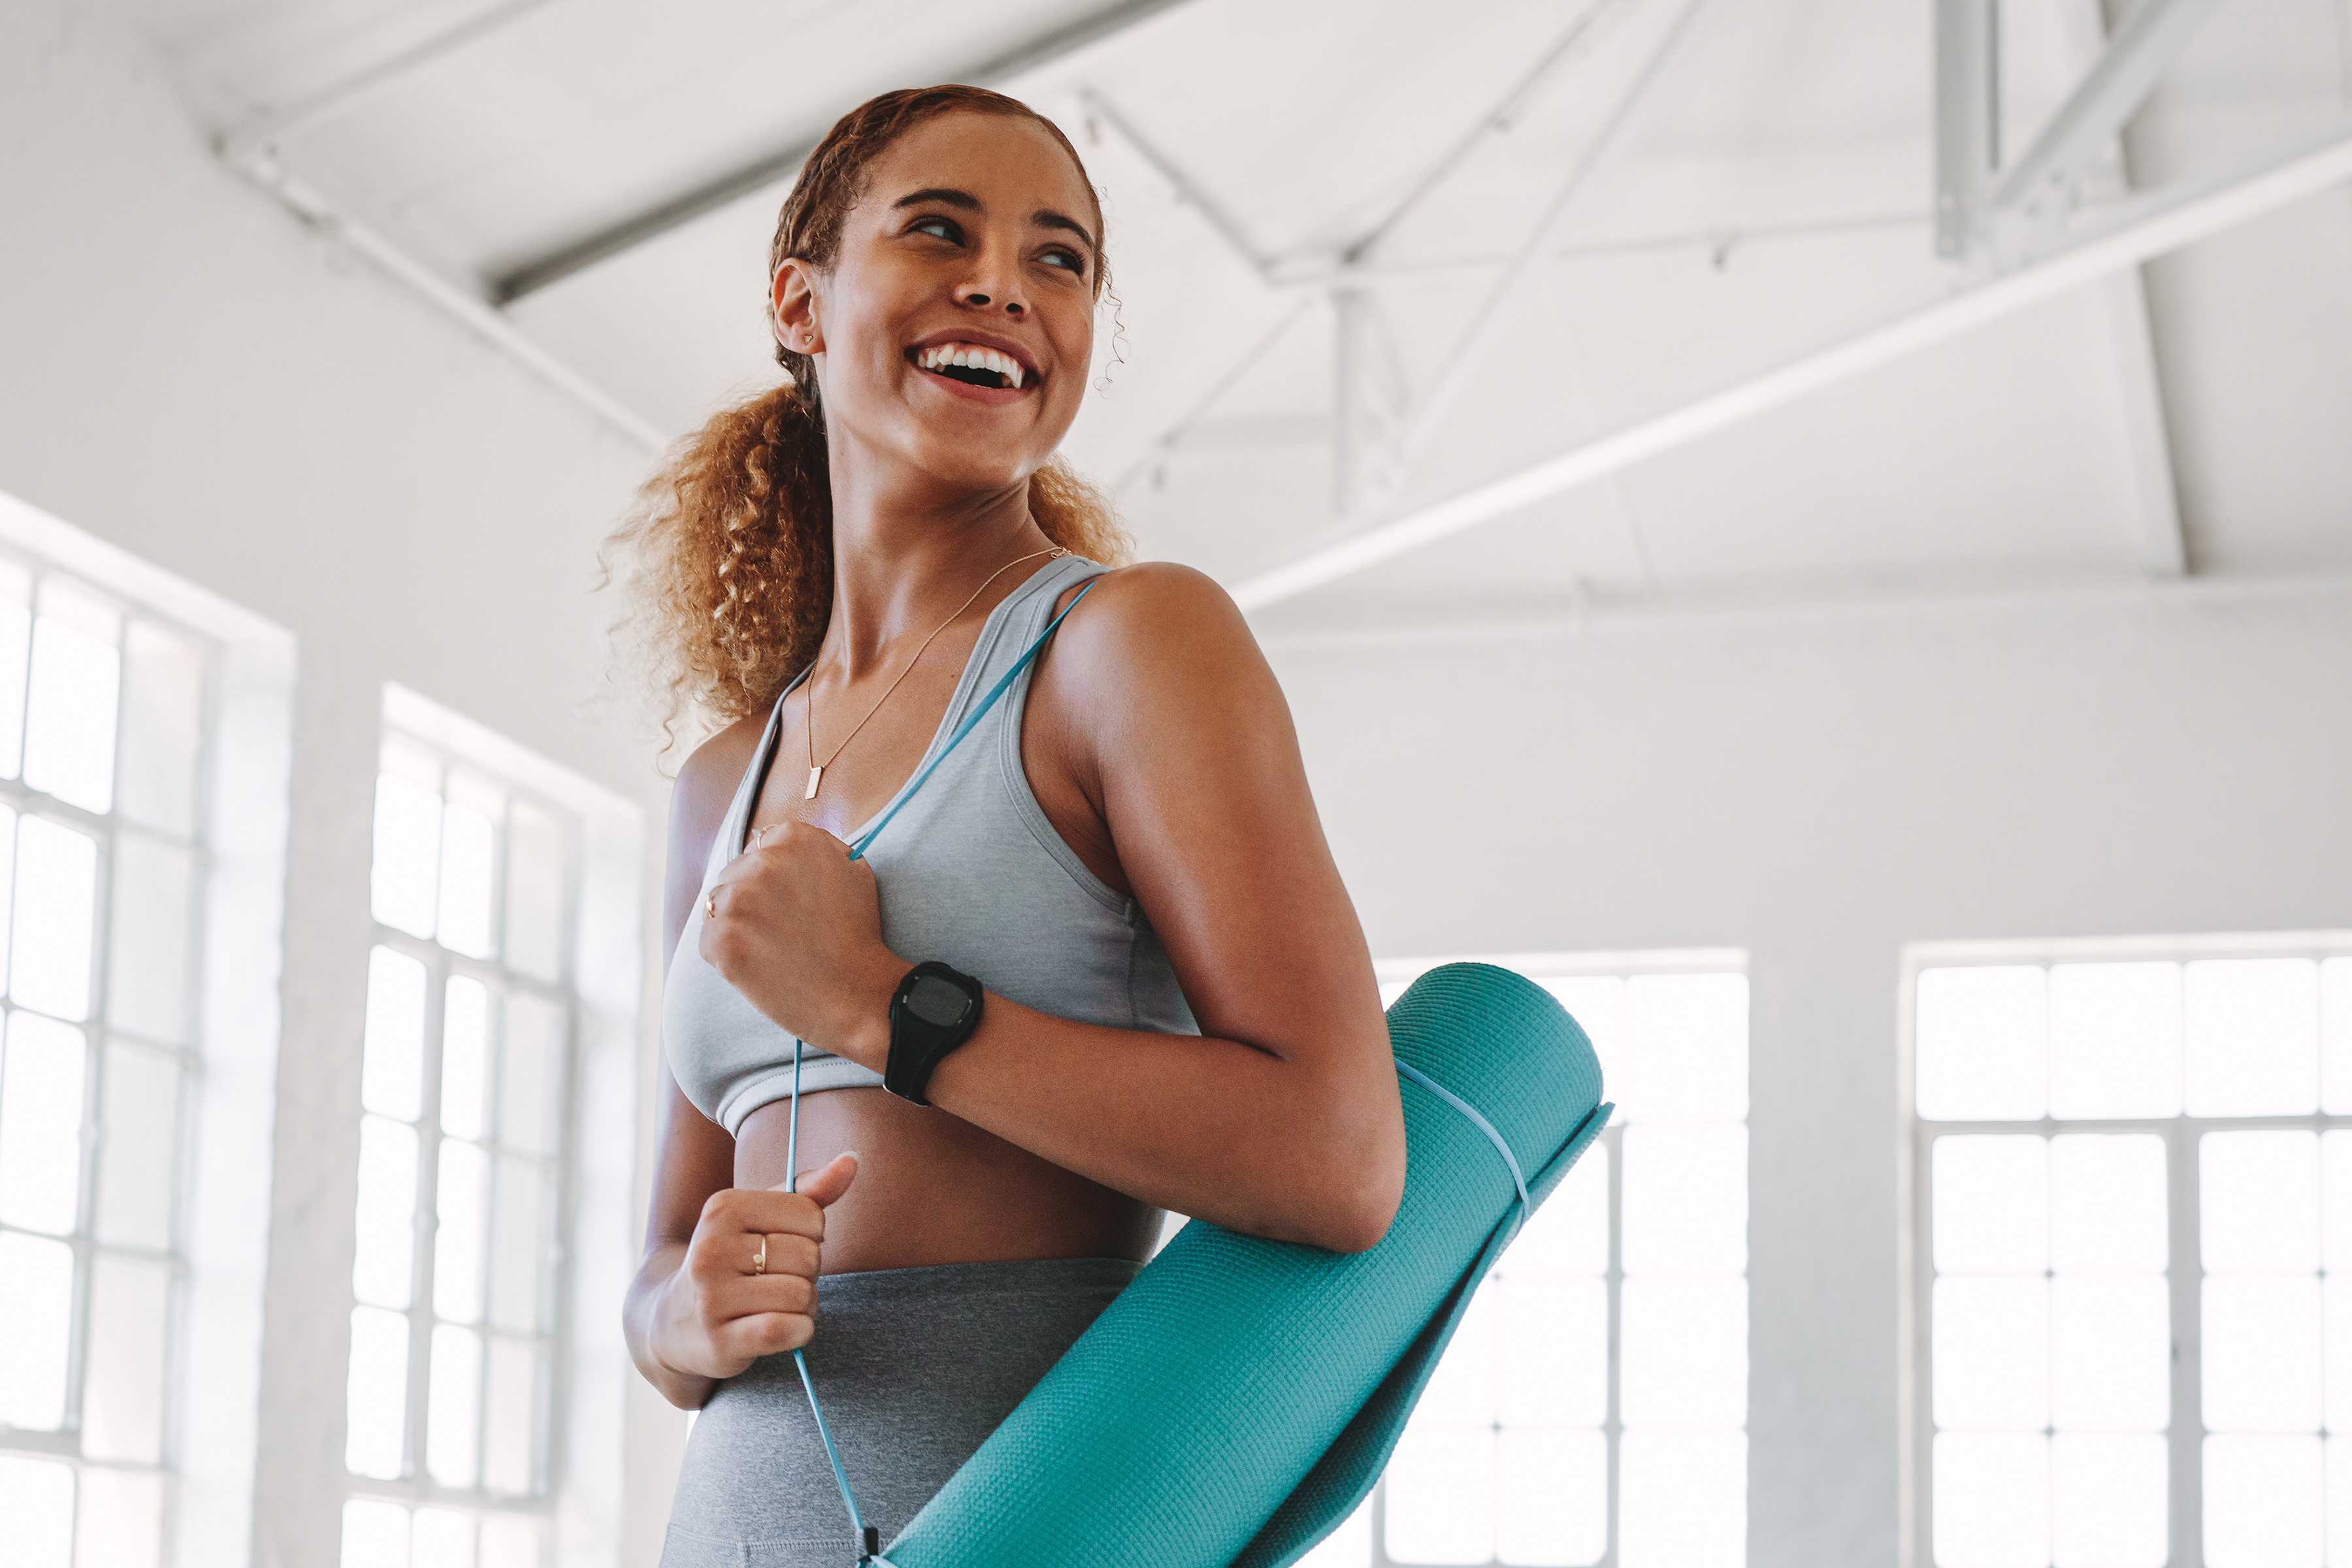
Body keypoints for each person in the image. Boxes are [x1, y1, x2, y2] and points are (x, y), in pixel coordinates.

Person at [608, 84, 1406, 1568]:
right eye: (938, 230)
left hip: (1031, 1522)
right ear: (800, 300)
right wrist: (684, 1305)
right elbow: (659, 1279)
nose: (1004, 286)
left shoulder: (1128, 647)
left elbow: (1341, 1157)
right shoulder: (724, 780)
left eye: (1062, 259)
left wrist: (878, 1004)